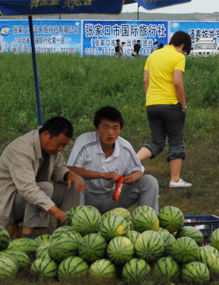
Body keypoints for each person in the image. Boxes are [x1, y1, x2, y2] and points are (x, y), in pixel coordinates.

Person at [0, 116, 84, 238]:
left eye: (64, 146)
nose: (60, 149)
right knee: (44, 188)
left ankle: (65, 237)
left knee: (72, 188)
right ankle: (28, 240)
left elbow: (59, 169)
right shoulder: (21, 150)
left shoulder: (52, 150)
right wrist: (58, 213)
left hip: (29, 197)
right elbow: (28, 189)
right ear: (46, 134)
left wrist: (69, 174)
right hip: (6, 203)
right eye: (59, 144)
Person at [67, 106, 159, 213]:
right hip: (87, 197)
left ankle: (147, 221)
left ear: (120, 129)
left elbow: (138, 170)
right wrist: (102, 175)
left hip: (113, 198)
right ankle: (79, 222)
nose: (111, 133)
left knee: (149, 182)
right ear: (97, 129)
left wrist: (133, 177)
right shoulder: (84, 142)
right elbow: (71, 169)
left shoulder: (125, 147)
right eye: (106, 127)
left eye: (115, 128)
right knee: (75, 179)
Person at [137, 30, 192, 189]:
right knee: (176, 141)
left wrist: (150, 99)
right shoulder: (178, 57)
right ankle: (175, 180)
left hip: (152, 104)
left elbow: (145, 80)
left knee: (156, 142)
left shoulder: (152, 55)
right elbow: (177, 82)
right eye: (185, 50)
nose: (184, 53)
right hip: (170, 105)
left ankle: (133, 161)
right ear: (182, 45)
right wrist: (183, 104)